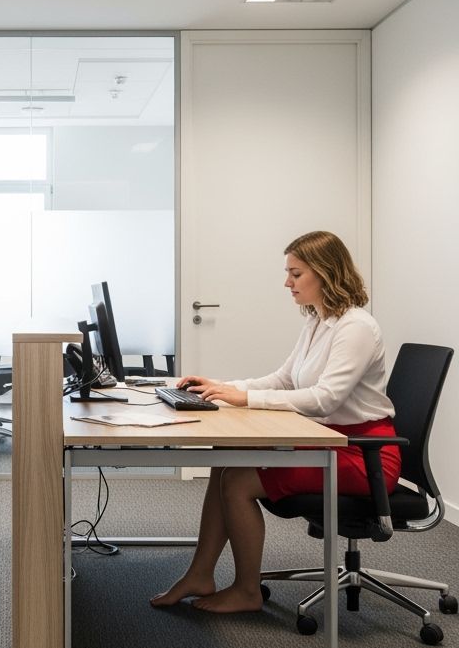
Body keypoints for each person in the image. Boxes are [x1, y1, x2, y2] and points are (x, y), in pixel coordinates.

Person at [151, 230, 398, 614]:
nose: (287, 283)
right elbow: (284, 379)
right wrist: (221, 386)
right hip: (324, 438)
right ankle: (200, 573)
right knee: (226, 461)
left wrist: (245, 398)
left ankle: (247, 591)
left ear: (326, 272)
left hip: (362, 454)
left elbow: (324, 399)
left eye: (296, 274)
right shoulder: (318, 321)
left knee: (237, 481)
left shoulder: (356, 328)